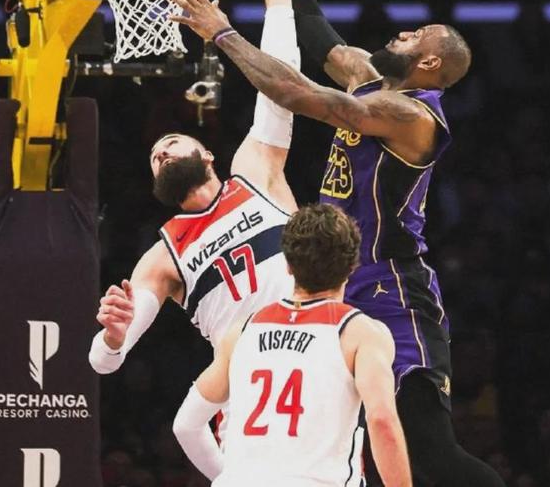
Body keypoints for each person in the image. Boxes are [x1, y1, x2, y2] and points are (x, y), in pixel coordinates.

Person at [170, 0, 506, 486]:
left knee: (430, 452)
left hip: (392, 288)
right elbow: (315, 29)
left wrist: (221, 33)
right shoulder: (368, 77)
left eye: (414, 35)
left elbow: (302, 96)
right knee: (353, 443)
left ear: (430, 61)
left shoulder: (413, 116)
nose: (400, 32)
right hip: (335, 284)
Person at [87, 0, 322, 397]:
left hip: (317, 359)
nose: (161, 151)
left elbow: (281, 83)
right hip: (247, 390)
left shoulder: (254, 174)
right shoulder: (164, 254)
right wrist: (111, 336)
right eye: (156, 155)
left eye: (171, 143)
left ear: (209, 155)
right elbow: (105, 362)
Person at [172, 203, 412, 487]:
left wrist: (227, 476)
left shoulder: (242, 332)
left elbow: (185, 425)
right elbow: (382, 420)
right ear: (351, 267)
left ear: (287, 264)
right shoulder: (361, 333)